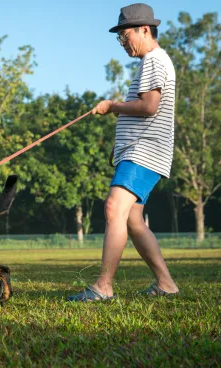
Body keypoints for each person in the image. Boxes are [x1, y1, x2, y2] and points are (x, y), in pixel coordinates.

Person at [68, 3, 179, 301]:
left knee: (113, 208)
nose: (122, 42)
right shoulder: (154, 62)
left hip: (144, 152)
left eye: (124, 34)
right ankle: (166, 283)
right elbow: (146, 108)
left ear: (144, 29)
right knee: (132, 220)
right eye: (119, 37)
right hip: (139, 151)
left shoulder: (154, 60)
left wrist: (112, 106)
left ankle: (103, 287)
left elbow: (148, 107)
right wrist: (121, 145)